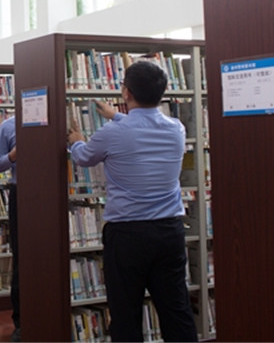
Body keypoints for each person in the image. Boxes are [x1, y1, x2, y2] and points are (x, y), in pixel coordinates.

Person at [66, 60, 198, 342]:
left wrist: (76, 140)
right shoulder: (176, 128)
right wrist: (116, 115)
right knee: (176, 308)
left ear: (126, 92)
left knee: (125, 313)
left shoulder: (111, 134)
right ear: (162, 93)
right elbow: (142, 128)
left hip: (127, 235)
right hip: (169, 231)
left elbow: (83, 157)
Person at [0, 115, 20, 342]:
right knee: (23, 260)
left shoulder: (63, 119)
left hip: (59, 194)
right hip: (23, 194)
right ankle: (21, 322)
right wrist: (12, 156)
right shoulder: (8, 126)